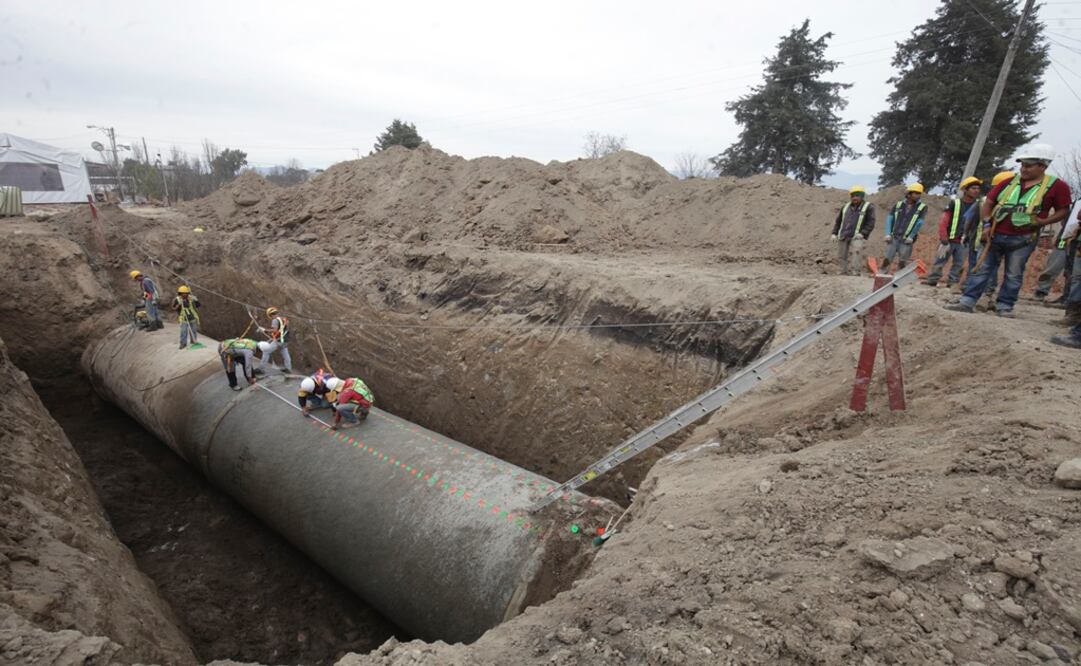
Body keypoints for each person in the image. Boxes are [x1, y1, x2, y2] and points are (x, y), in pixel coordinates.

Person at [946, 144, 1072, 318]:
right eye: (1022, 165)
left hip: (1023, 238)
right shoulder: (1010, 182)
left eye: (1028, 165)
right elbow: (988, 202)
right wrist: (987, 224)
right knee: (982, 268)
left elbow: (1063, 210)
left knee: (1013, 273)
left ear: (1042, 166)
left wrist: (1044, 221)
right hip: (995, 234)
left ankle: (1004, 306)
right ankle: (968, 300)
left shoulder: (1057, 186)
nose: (1023, 169)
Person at [925, 177, 982, 287]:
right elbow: (944, 220)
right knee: (940, 260)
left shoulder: (978, 206)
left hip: (965, 241)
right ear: (965, 190)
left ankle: (953, 282)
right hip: (949, 239)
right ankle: (933, 279)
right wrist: (943, 236)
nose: (976, 191)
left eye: (978, 188)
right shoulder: (954, 203)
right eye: (973, 188)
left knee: (959, 264)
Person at [880, 183, 926, 272]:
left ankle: (898, 279)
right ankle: (882, 274)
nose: (918, 196)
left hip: (906, 239)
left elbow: (919, 222)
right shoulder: (898, 205)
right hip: (895, 236)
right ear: (909, 194)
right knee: (887, 258)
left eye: (919, 193)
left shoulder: (922, 207)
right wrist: (887, 233)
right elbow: (890, 219)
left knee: (903, 261)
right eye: (916, 193)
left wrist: (911, 236)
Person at [831, 186, 875, 275]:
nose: (855, 198)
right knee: (841, 255)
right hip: (844, 234)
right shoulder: (845, 207)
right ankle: (842, 271)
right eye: (853, 196)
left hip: (857, 236)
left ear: (862, 196)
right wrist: (834, 233)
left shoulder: (868, 207)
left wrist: (863, 233)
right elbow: (838, 221)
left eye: (857, 196)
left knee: (856, 253)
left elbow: (871, 222)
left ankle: (855, 272)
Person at [256, 307, 292, 374]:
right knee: (285, 354)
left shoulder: (275, 320)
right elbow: (283, 331)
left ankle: (261, 369)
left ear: (270, 315)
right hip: (285, 340)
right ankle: (288, 368)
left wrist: (264, 330)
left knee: (266, 351)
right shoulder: (285, 319)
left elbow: (274, 330)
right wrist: (272, 339)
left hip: (279, 341)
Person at [171, 285, 201, 349]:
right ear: (180, 293)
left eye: (186, 293)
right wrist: (178, 305)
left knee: (193, 330)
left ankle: (193, 341)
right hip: (183, 318)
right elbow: (173, 308)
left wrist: (196, 300)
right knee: (183, 331)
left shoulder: (191, 298)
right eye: (183, 293)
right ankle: (183, 343)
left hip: (192, 317)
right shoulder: (177, 299)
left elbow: (198, 305)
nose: (184, 295)